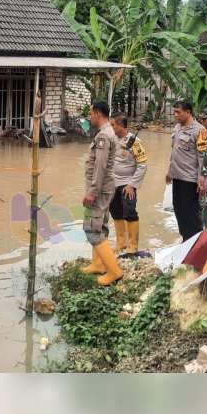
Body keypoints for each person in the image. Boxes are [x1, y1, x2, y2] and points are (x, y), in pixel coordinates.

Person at [80, 100, 123, 285]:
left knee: (91, 229)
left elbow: (100, 166)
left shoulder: (103, 136)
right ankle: (98, 264)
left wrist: (92, 192)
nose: (90, 117)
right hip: (105, 188)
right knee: (101, 226)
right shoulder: (106, 133)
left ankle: (114, 272)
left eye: (91, 114)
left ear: (98, 113)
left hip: (99, 189)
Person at [166, 101, 207, 241]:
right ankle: (185, 241)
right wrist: (169, 170)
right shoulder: (177, 127)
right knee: (178, 210)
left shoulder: (199, 131)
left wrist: (201, 178)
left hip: (190, 179)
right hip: (177, 176)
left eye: (178, 112)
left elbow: (203, 157)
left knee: (190, 213)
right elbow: (174, 151)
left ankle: (195, 242)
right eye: (175, 112)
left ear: (188, 112)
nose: (175, 115)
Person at [109, 114, 148, 257]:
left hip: (127, 184)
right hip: (112, 183)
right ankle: (121, 243)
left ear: (120, 125)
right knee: (115, 212)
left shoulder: (135, 142)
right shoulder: (111, 139)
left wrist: (132, 184)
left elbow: (142, 165)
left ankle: (133, 246)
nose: (111, 127)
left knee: (129, 212)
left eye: (113, 125)